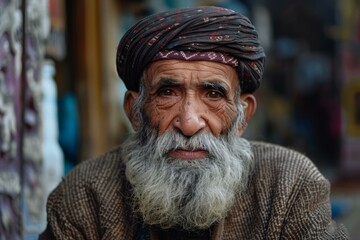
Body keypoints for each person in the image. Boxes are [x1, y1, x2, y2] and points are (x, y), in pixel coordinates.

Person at [40, 6, 349, 240]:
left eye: (213, 93)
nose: (189, 123)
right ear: (135, 111)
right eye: (167, 92)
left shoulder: (290, 187)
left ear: (243, 116)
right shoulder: (84, 197)